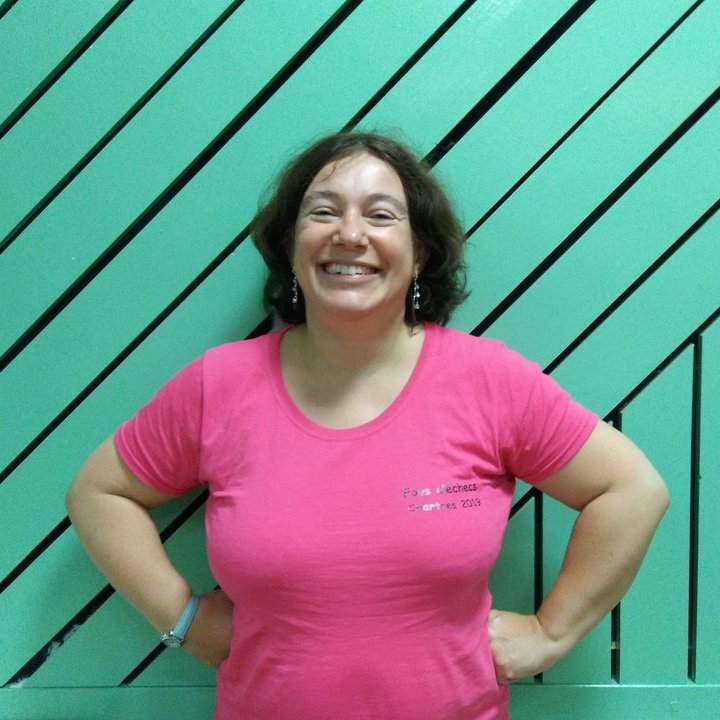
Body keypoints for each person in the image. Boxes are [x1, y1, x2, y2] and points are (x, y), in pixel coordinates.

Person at [66, 131, 669, 720]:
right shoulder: (219, 387)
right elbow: (99, 493)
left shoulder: (488, 382)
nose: (350, 235)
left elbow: (632, 490)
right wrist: (183, 622)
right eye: (323, 212)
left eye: (381, 216)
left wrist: (550, 633)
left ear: (420, 253)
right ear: (291, 247)